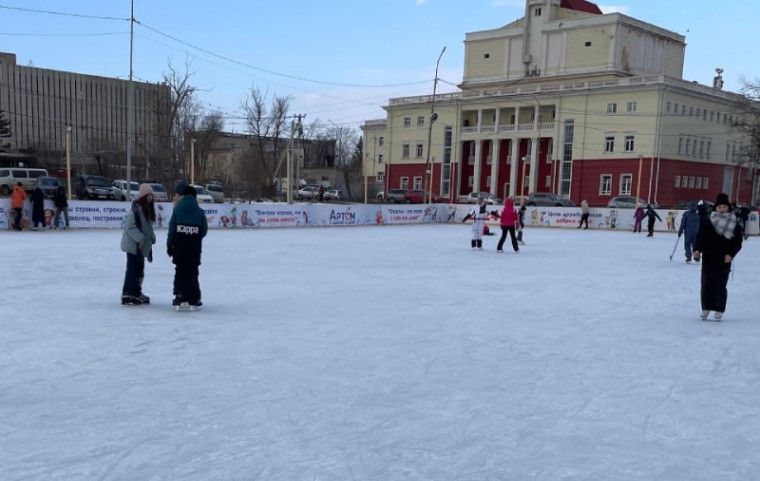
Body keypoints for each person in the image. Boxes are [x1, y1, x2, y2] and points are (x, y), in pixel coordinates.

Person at [693, 193, 742, 321]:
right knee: (706, 283)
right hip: (708, 258)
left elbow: (737, 242)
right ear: (716, 208)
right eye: (720, 207)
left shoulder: (733, 223)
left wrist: (730, 254)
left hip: (723, 259)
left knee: (720, 284)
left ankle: (719, 309)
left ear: (728, 208)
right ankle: (706, 308)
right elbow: (700, 237)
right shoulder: (708, 221)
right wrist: (697, 249)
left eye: (724, 207)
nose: (722, 209)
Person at [167, 184, 208, 307]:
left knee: (180, 270)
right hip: (194, 248)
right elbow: (204, 230)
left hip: (179, 248)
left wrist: (169, 246)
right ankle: (194, 298)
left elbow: (171, 230)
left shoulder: (177, 210)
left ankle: (180, 296)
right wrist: (194, 237)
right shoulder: (200, 212)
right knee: (193, 272)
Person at [120, 183, 156, 306]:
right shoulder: (137, 208)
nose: (150, 197)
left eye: (151, 195)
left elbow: (147, 227)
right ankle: (128, 293)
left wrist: (151, 237)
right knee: (132, 269)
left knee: (139, 269)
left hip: (139, 246)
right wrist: (140, 238)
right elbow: (129, 226)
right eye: (148, 195)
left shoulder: (147, 208)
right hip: (133, 245)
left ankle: (136, 291)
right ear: (143, 196)